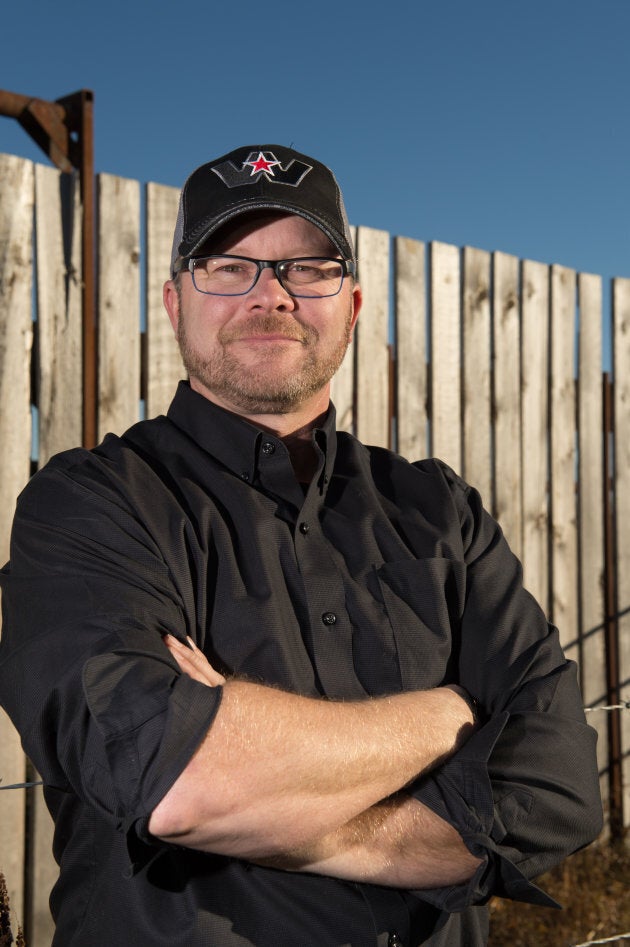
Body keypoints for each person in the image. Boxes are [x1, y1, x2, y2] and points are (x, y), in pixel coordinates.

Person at [0, 144, 602, 947]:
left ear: (350, 305)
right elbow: (176, 780)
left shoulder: (439, 511)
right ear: (177, 304)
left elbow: (557, 786)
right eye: (227, 265)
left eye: (305, 268)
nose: (270, 295)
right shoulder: (89, 506)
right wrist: (448, 716)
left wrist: (287, 813)